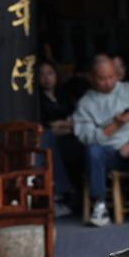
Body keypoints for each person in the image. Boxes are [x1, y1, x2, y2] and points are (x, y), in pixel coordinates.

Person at [72, 54, 129, 228]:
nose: (108, 82)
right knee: (92, 151)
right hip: (106, 154)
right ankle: (100, 206)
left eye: (111, 77)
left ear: (117, 74)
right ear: (92, 77)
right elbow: (85, 136)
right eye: (102, 78)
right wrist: (115, 125)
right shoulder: (86, 103)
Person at [38, 61, 85, 215]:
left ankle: (78, 197)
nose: (46, 78)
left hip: (70, 137)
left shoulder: (64, 95)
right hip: (52, 140)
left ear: (56, 75)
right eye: (42, 74)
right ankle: (60, 194)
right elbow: (46, 126)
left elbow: (76, 120)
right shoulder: (36, 99)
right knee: (49, 141)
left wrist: (61, 125)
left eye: (50, 73)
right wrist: (58, 126)